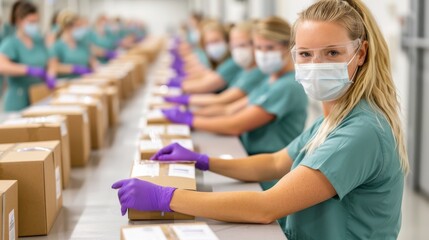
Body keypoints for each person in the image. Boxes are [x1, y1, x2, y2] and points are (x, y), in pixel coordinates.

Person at [112, 0, 409, 239]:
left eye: (332, 52)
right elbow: (276, 163)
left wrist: (167, 197)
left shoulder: (362, 131)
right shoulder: (335, 118)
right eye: (305, 54)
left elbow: (267, 207)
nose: (316, 65)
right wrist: (204, 161)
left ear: (360, 53)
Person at [162, 16, 308, 161]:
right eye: (258, 47)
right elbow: (228, 109)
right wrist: (191, 115)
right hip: (251, 156)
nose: (263, 54)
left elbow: (235, 125)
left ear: (289, 47)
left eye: (270, 48)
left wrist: (191, 119)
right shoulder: (271, 79)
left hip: (266, 169)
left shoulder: (287, 86)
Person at [165, 21, 267, 107]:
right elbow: (205, 73)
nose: (238, 50)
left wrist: (182, 95)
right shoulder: (245, 69)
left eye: (242, 45)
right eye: (208, 43)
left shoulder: (237, 64)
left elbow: (217, 96)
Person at [0, 1, 49, 111]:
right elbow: (2, 66)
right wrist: (28, 70)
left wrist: (49, 74)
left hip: (38, 94)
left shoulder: (38, 41)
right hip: (18, 98)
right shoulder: (11, 43)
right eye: (31, 22)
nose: (34, 25)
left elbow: (48, 60)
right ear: (19, 21)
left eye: (36, 22)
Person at [171, 21, 243, 94]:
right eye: (209, 43)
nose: (213, 46)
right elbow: (206, 74)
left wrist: (176, 85)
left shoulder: (232, 62)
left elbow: (205, 85)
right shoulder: (219, 61)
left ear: (227, 40)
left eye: (216, 41)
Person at [47, 10, 98, 80]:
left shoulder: (83, 44)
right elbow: (53, 67)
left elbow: (93, 62)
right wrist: (73, 69)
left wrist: (96, 70)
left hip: (85, 83)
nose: (82, 29)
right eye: (78, 26)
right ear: (68, 27)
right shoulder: (57, 46)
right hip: (67, 85)